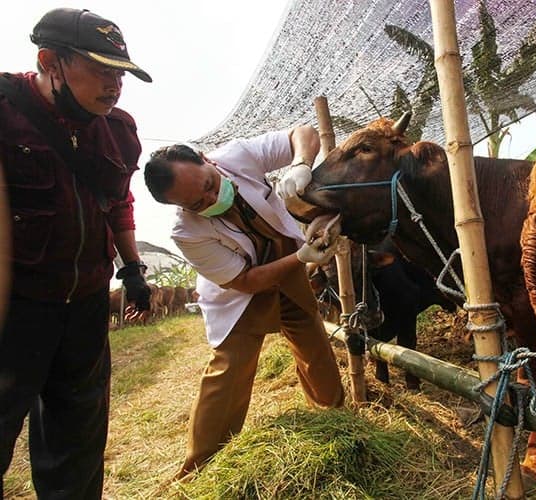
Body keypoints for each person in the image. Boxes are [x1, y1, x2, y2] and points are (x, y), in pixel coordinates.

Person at [0, 8, 152, 498]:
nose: (114, 85)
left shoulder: (119, 131)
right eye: (100, 69)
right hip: (16, 310)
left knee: (78, 447)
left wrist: (132, 270)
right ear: (51, 62)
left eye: (120, 73)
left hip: (86, 306)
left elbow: (117, 202)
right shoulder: (6, 110)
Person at [143, 127, 345, 479]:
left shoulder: (237, 156)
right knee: (230, 369)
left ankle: (336, 419)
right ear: (180, 207)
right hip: (241, 293)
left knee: (313, 342)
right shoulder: (186, 232)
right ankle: (201, 468)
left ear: (207, 160)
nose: (209, 200)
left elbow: (303, 133)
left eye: (208, 185)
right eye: (196, 204)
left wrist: (300, 164)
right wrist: (301, 257)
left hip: (286, 263)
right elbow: (245, 281)